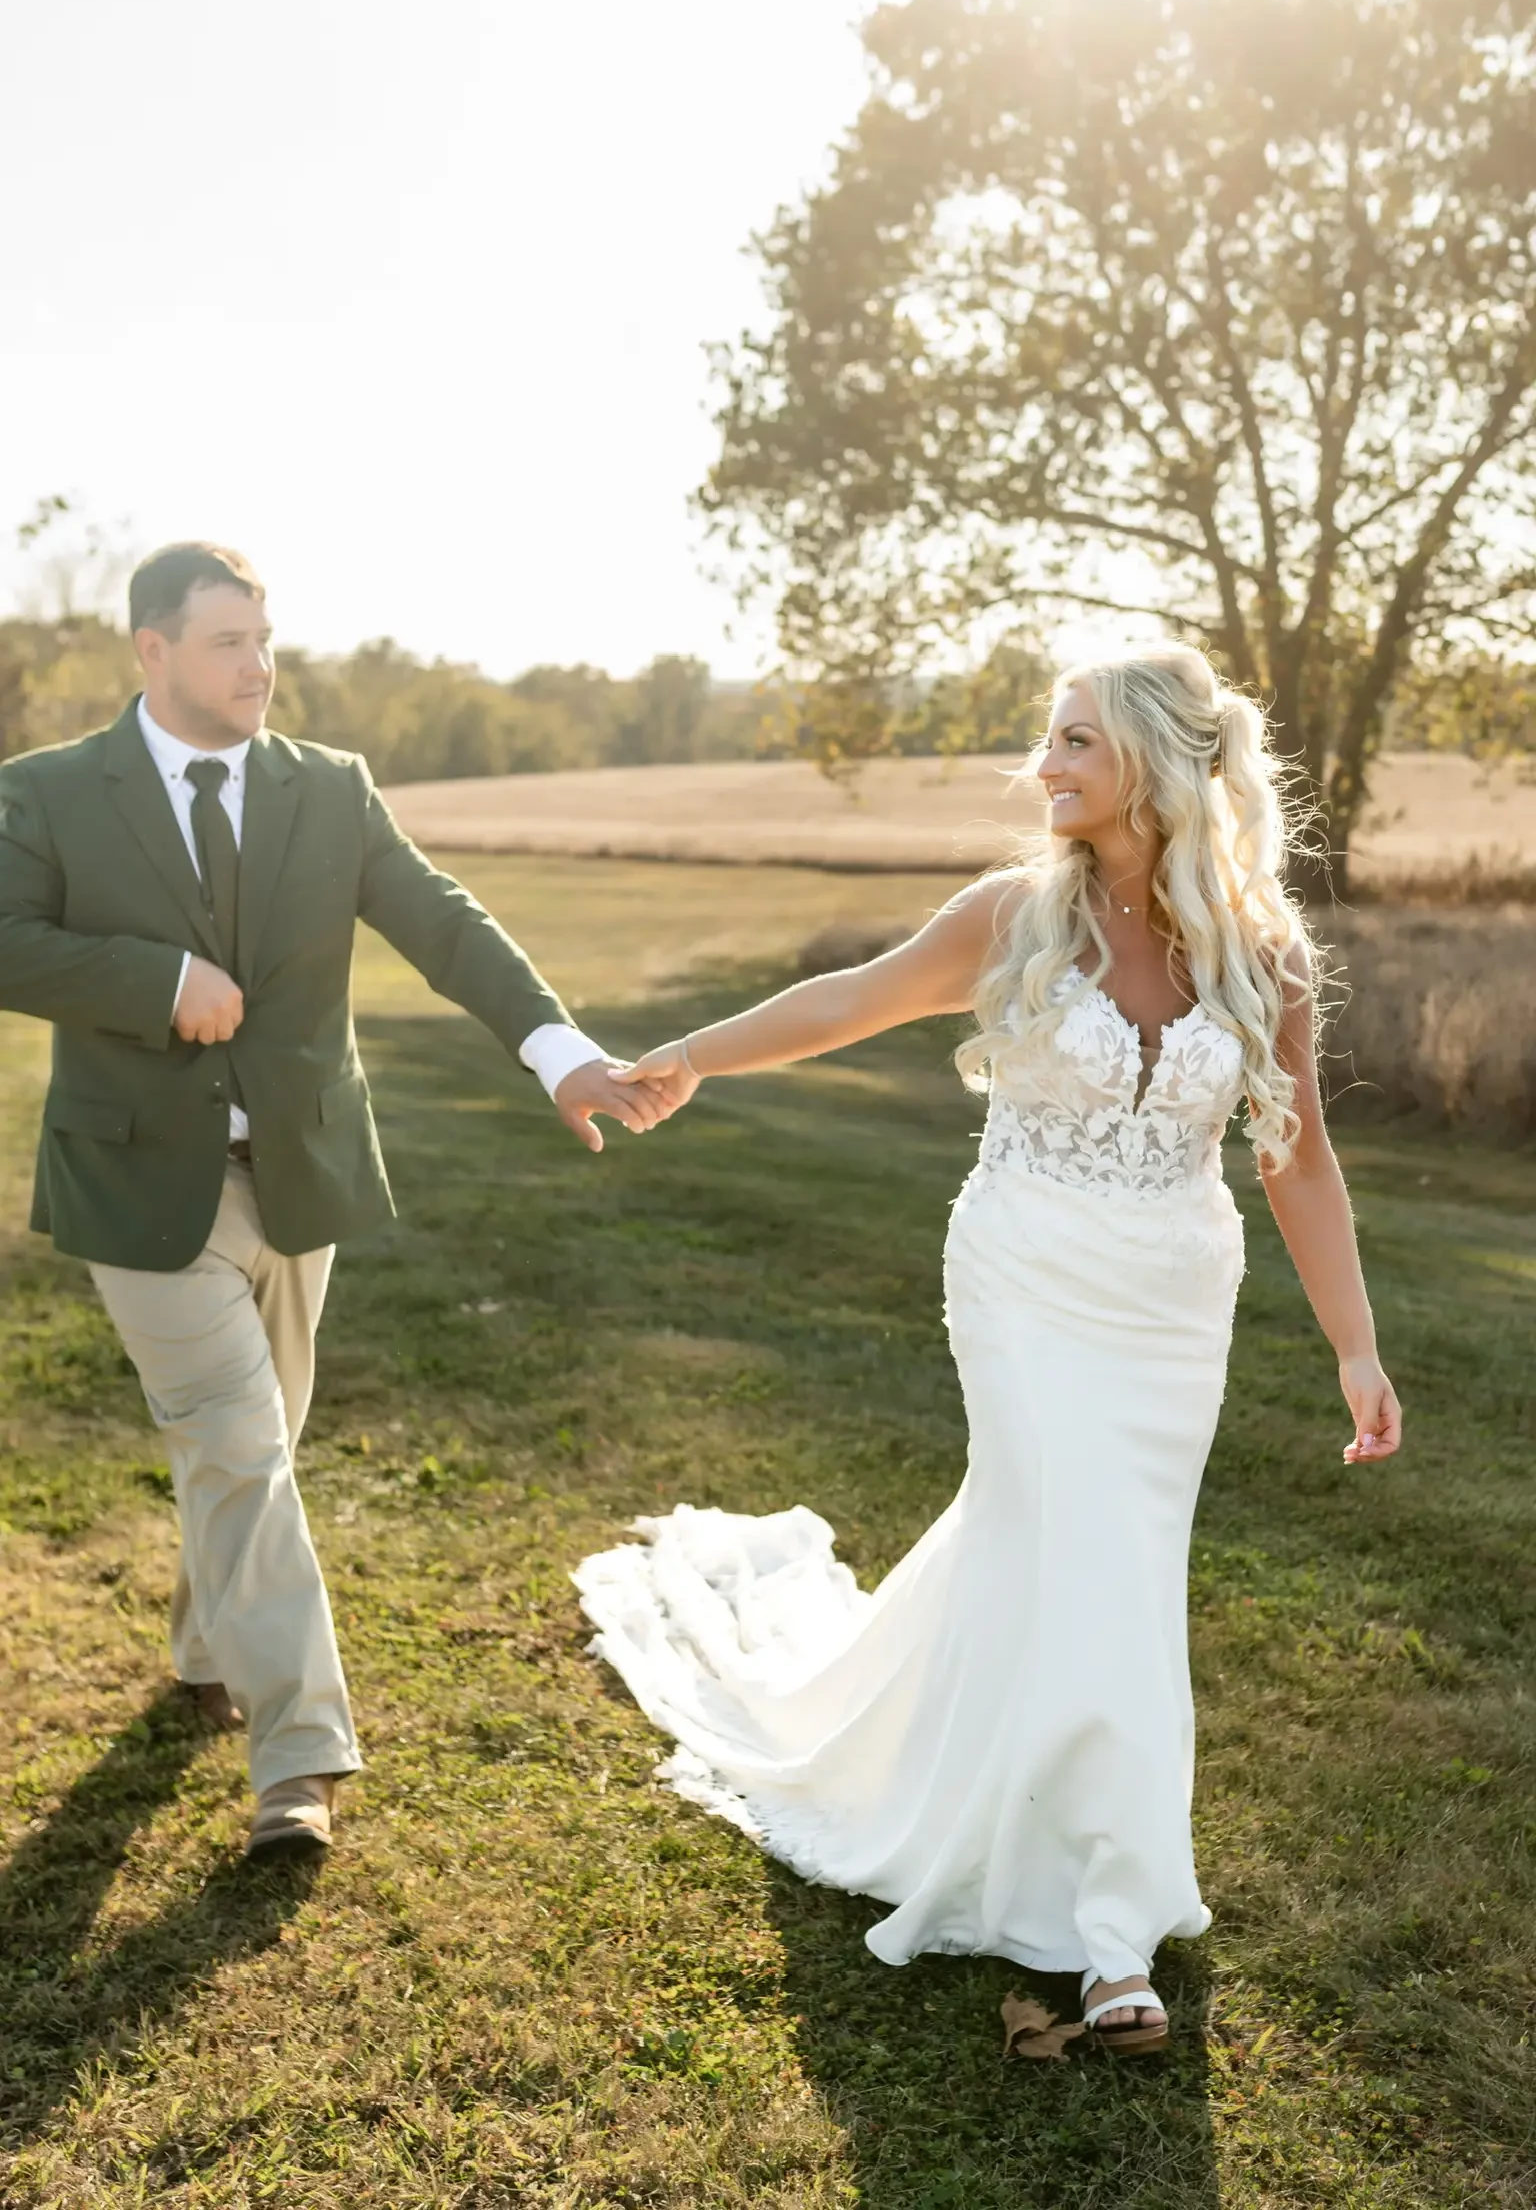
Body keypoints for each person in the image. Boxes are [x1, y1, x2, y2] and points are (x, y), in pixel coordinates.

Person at [576, 645, 1402, 2054]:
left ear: (1151, 760)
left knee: (1099, 1564)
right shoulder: (1014, 915)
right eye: (1050, 738)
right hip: (1024, 1276)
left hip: (1170, 1304)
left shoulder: (1261, 956)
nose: (1048, 763)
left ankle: (1054, 1842)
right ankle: (1111, 1935)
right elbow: (851, 998)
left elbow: (1298, 1161)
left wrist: (1356, 1348)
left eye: (1076, 739)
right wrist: (694, 1055)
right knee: (1077, 1538)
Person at [0, 542, 672, 1858]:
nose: (261, 665)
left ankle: (207, 1643)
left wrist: (558, 1054)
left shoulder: (330, 791)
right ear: (152, 650)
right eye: (227, 642)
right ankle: (299, 1756)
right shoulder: (51, 794)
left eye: (266, 638)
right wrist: (152, 981)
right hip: (138, 1186)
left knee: (252, 1452)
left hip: (299, 1175)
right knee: (240, 1446)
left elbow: (444, 925)